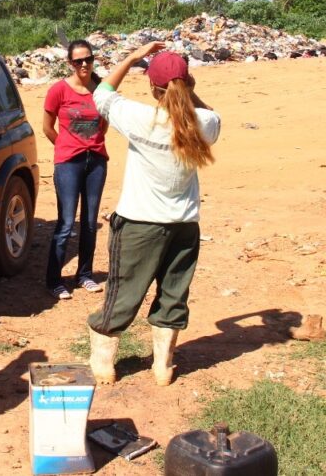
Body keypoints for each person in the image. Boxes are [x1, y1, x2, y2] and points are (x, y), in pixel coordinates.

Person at [85, 41, 220, 387]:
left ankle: (104, 365)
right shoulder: (204, 124)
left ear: (153, 87)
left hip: (139, 223)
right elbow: (210, 115)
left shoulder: (140, 118)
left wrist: (131, 58)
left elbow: (102, 95)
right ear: (188, 84)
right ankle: (162, 368)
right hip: (184, 225)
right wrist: (187, 91)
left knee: (122, 292)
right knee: (174, 293)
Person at [42, 40, 108, 300]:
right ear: (69, 63)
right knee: (67, 222)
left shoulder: (101, 90)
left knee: (90, 222)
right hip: (68, 163)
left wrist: (90, 145)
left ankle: (85, 275)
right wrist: (67, 147)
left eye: (87, 59)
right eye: (78, 61)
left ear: (93, 60)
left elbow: (103, 125)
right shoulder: (58, 90)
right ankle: (54, 279)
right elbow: (47, 127)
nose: (83, 65)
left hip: (96, 161)